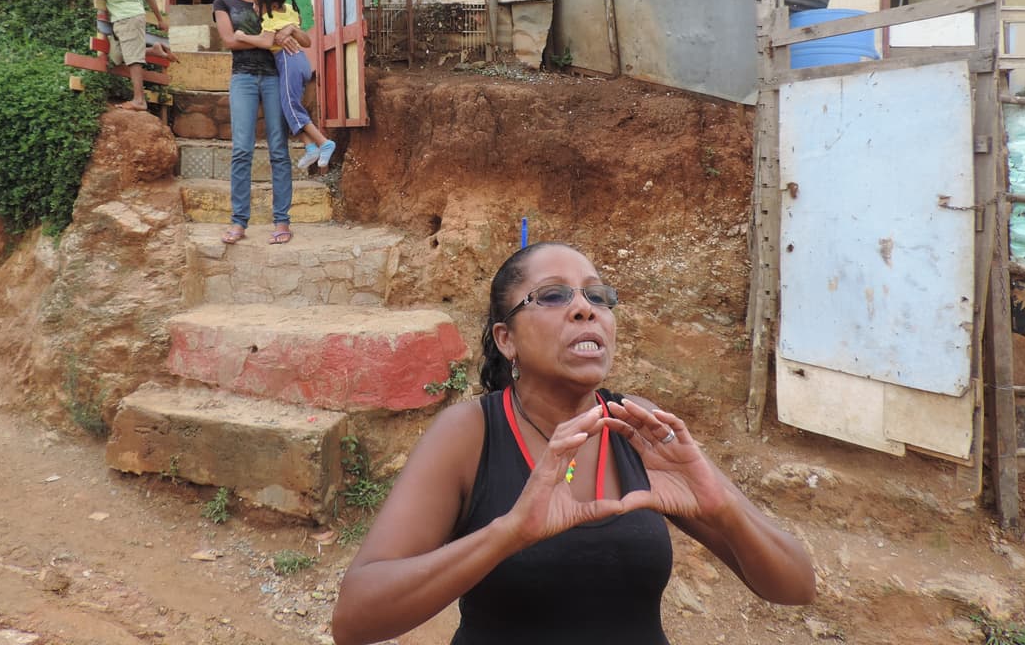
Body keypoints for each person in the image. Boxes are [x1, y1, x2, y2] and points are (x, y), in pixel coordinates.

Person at [332, 241, 816, 645]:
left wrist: (723, 508)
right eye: (552, 295)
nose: (586, 308)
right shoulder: (469, 434)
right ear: (506, 339)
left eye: (598, 296)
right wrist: (508, 534)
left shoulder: (638, 427)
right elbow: (355, 618)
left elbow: (795, 586)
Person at [210, 0, 294, 245]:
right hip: (243, 78)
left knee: (279, 150)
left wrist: (282, 33)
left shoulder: (271, 2)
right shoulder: (223, 3)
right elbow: (229, 41)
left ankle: (282, 221)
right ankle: (238, 222)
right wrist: (268, 39)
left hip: (274, 78)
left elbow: (290, 31)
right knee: (242, 150)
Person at [242, 0, 336, 170]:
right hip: (300, 61)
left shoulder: (270, 19)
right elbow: (305, 40)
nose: (254, 7)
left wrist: (242, 36)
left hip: (288, 62)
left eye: (258, 4)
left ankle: (324, 142)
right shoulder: (289, 10)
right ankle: (310, 147)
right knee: (287, 108)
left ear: (273, 6)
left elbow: (265, 42)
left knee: (292, 107)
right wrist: (292, 27)